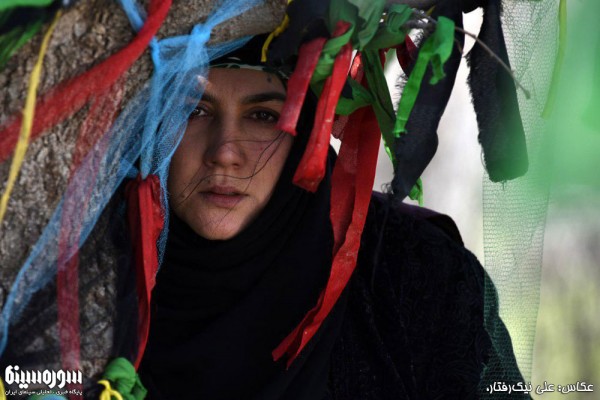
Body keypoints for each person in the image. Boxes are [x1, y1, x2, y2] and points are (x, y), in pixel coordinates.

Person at [135, 39, 529, 400]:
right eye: (193, 111)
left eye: (264, 115)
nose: (224, 153)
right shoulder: (110, 266)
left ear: (310, 130)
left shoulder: (416, 273)